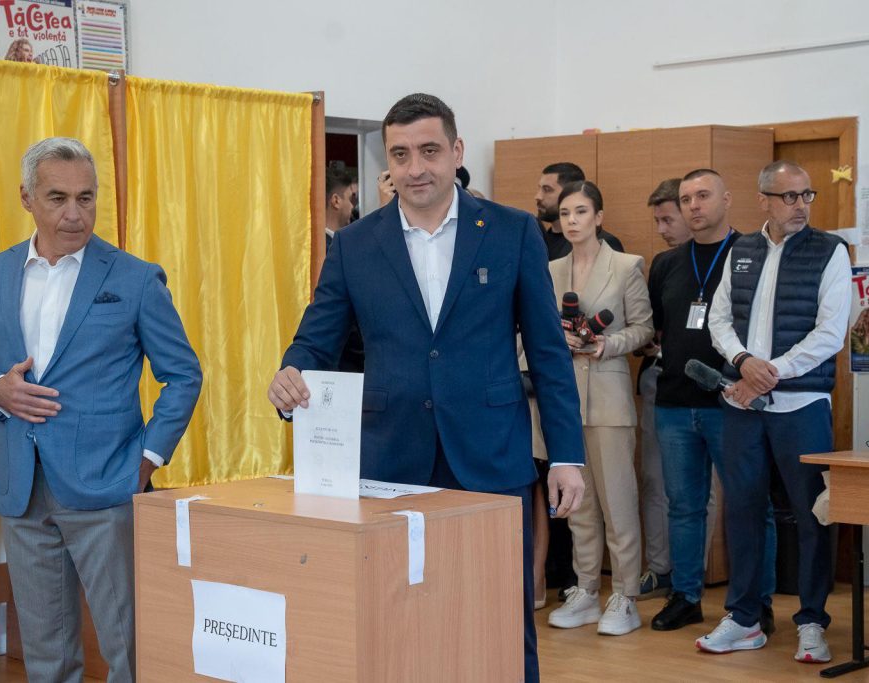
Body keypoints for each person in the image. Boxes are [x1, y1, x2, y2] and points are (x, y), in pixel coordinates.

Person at [268, 93, 585, 683]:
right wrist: (292, 372)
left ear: (457, 151)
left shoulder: (512, 231)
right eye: (401, 154)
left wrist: (566, 454)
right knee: (403, 620)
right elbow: (316, 340)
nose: (416, 168)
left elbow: (548, 353)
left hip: (491, 459)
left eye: (430, 151)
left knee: (499, 618)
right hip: (391, 461)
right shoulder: (356, 244)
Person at [0, 137, 202, 683]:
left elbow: (183, 375)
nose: (74, 213)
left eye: (86, 198)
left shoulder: (135, 278)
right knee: (47, 657)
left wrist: (146, 462)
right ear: (26, 198)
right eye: (57, 197)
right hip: (21, 488)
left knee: (131, 649)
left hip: (110, 488)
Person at [700, 161, 851, 662]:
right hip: (744, 405)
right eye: (789, 196)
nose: (800, 205)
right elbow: (720, 319)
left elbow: (831, 333)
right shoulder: (741, 249)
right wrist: (743, 361)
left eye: (806, 195)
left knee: (813, 514)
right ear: (763, 199)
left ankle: (812, 622)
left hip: (802, 405)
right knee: (743, 510)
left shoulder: (830, 250)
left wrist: (772, 372)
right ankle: (746, 617)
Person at [648, 168, 777, 634]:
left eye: (703, 196)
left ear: (727, 199)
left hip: (733, 402)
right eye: (686, 199)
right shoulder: (666, 263)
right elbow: (660, 328)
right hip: (674, 403)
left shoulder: (753, 255)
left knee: (750, 504)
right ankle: (686, 597)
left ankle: (756, 602)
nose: (694, 206)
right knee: (683, 506)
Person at [544, 181, 652, 636]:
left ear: (599, 217)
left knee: (618, 502)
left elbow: (643, 329)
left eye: (581, 212)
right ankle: (586, 590)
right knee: (579, 504)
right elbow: (533, 327)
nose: (572, 221)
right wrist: (559, 337)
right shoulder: (551, 269)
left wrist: (608, 344)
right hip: (564, 400)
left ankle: (625, 595)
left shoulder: (626, 265)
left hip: (609, 398)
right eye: (565, 213)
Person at [634, 178, 691, 600]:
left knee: (697, 490)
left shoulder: (733, 256)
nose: (661, 229)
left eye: (668, 220)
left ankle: (692, 575)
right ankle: (660, 569)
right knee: (655, 480)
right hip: (660, 382)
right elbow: (650, 326)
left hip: (710, 390)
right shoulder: (664, 263)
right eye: (657, 221)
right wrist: (648, 342)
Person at [535, 162, 624, 261]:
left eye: (547, 190)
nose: (538, 196)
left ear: (570, 192)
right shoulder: (538, 241)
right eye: (539, 189)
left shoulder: (603, 243)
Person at [324, 166, 364, 373]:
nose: (353, 206)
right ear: (336, 201)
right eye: (351, 198)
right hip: (344, 365)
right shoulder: (322, 251)